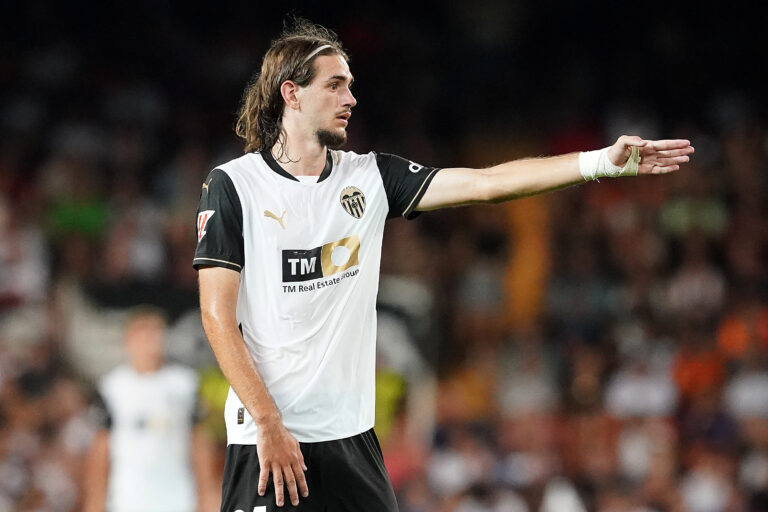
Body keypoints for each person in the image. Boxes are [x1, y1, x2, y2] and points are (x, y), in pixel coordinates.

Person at [194, 19, 694, 512]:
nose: (351, 98)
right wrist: (268, 424)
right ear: (292, 93)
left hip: (351, 440)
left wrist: (601, 161)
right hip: (269, 439)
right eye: (335, 85)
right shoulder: (234, 186)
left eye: (350, 85)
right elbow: (217, 316)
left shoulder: (369, 177)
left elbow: (485, 184)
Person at [83, 306, 220, 512]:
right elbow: (101, 450)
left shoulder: (184, 384)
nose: (148, 342)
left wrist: (208, 494)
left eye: (155, 333)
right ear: (128, 340)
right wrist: (95, 503)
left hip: (177, 498)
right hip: (127, 499)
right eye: (141, 334)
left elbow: (199, 442)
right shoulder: (112, 388)